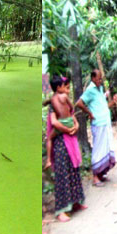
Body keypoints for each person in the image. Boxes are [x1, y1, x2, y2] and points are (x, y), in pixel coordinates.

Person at [46, 77, 85, 222]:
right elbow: (54, 122)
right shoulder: (52, 104)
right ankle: (61, 210)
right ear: (58, 88)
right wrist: (67, 129)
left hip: (70, 139)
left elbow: (72, 113)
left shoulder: (64, 99)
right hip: (61, 142)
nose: (67, 89)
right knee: (63, 174)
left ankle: (76, 202)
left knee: (73, 170)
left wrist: (76, 126)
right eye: (65, 86)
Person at [76, 69, 117, 186]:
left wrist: (113, 102)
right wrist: (89, 113)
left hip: (105, 123)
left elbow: (104, 107)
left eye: (101, 78)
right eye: (99, 78)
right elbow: (79, 103)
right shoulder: (90, 90)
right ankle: (95, 177)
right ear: (93, 78)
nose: (100, 80)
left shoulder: (99, 89)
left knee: (106, 148)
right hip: (98, 124)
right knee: (98, 149)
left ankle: (101, 173)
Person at [44, 76, 77, 170]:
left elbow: (47, 103)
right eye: (64, 86)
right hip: (69, 122)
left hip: (61, 123)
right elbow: (71, 108)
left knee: (49, 138)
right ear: (58, 88)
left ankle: (48, 160)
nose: (65, 89)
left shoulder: (52, 99)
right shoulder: (65, 96)